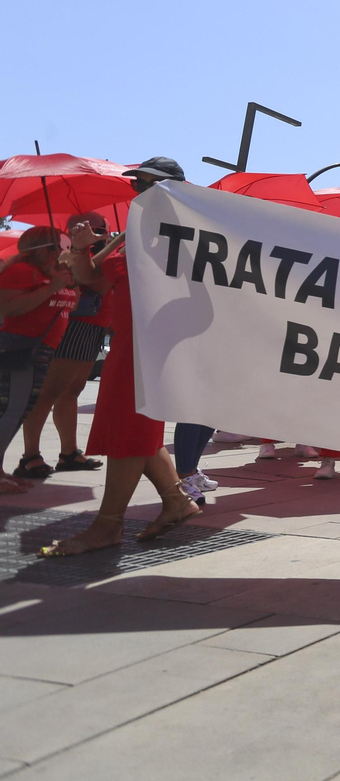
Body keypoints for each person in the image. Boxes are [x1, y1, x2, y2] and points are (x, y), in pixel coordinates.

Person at [41, 158, 199, 557]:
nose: (140, 192)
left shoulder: (185, 234)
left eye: (149, 185)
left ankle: (107, 526)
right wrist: (79, 248)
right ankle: (177, 500)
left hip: (150, 345)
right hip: (131, 341)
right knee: (135, 427)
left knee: (127, 429)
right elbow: (92, 277)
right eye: (138, 185)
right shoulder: (136, 233)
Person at [14, 213, 115, 480]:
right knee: (50, 392)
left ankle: (68, 452)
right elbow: (98, 282)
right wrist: (107, 248)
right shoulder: (68, 252)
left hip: (94, 324)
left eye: (100, 227)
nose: (98, 231)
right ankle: (31, 455)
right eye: (91, 227)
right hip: (77, 323)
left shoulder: (84, 251)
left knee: (71, 391)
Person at [0, 226, 77, 492]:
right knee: (11, 410)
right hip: (21, 346)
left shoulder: (51, 272)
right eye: (57, 246)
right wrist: (53, 287)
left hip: (42, 348)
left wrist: (64, 283)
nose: (61, 251)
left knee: (19, 409)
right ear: (41, 249)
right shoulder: (20, 271)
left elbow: (69, 305)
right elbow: (9, 307)